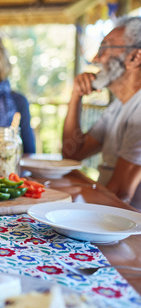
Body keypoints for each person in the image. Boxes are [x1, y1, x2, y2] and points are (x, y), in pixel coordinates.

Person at [62, 16, 141, 209]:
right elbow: (72, 153)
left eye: (105, 48)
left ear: (134, 58)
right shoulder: (118, 107)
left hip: (129, 228)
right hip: (107, 210)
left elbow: (120, 194)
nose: (95, 58)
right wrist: (76, 96)